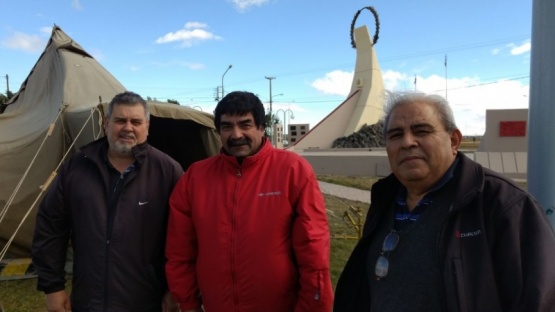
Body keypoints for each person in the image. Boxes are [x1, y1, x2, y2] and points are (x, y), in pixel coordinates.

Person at [334, 92, 555, 312]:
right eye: (395, 135)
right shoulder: (385, 199)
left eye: (422, 131)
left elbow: (539, 301)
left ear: (454, 140)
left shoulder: (505, 204)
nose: (407, 142)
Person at [165, 91, 333, 312]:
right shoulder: (195, 178)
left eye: (245, 124)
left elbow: (314, 250)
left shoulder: (292, 170)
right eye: (227, 127)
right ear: (218, 132)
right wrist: (188, 304)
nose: (236, 135)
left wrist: (313, 306)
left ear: (262, 127)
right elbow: (180, 251)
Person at [32, 91, 183, 312]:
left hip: (147, 301)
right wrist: (53, 287)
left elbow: (184, 237)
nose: (128, 128)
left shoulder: (168, 171)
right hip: (89, 300)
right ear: (106, 123)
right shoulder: (78, 166)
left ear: (147, 127)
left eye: (136, 122)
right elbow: (50, 226)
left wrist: (175, 289)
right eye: (120, 120)